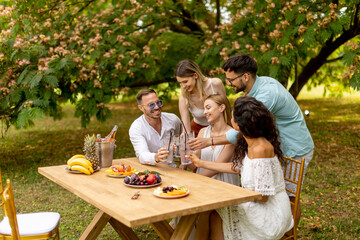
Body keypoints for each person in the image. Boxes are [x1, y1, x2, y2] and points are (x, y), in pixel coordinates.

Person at [189, 53, 314, 196]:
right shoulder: (259, 85)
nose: (228, 83)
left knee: (289, 197)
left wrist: (210, 141)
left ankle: (288, 219)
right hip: (278, 146)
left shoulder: (266, 95)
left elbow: (245, 129)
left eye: (231, 80)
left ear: (246, 77)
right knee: (274, 193)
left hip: (294, 148)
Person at [188, 96, 294, 240]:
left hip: (269, 214)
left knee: (214, 213)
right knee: (209, 212)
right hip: (255, 203)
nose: (231, 121)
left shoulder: (260, 149)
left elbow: (263, 197)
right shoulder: (250, 141)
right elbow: (235, 167)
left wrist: (234, 195)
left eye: (232, 117)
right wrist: (200, 163)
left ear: (239, 124)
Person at [189, 94, 239, 186]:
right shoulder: (202, 132)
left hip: (224, 186)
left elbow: (217, 167)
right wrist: (183, 152)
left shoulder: (232, 135)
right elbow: (193, 165)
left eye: (208, 108)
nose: (204, 112)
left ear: (221, 108)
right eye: (204, 109)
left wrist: (194, 179)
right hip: (204, 184)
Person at [129, 89, 181, 166]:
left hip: (173, 169)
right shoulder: (136, 128)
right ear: (141, 108)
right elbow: (142, 155)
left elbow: (183, 142)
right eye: (151, 105)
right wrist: (156, 157)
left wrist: (182, 164)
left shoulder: (173, 119)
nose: (157, 107)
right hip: (150, 171)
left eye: (158, 103)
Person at [175, 59, 226, 137]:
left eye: (185, 81)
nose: (183, 86)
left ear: (195, 75)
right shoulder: (184, 97)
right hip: (197, 130)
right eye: (180, 83)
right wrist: (185, 138)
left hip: (220, 128)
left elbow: (226, 111)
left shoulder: (215, 84)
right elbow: (186, 129)